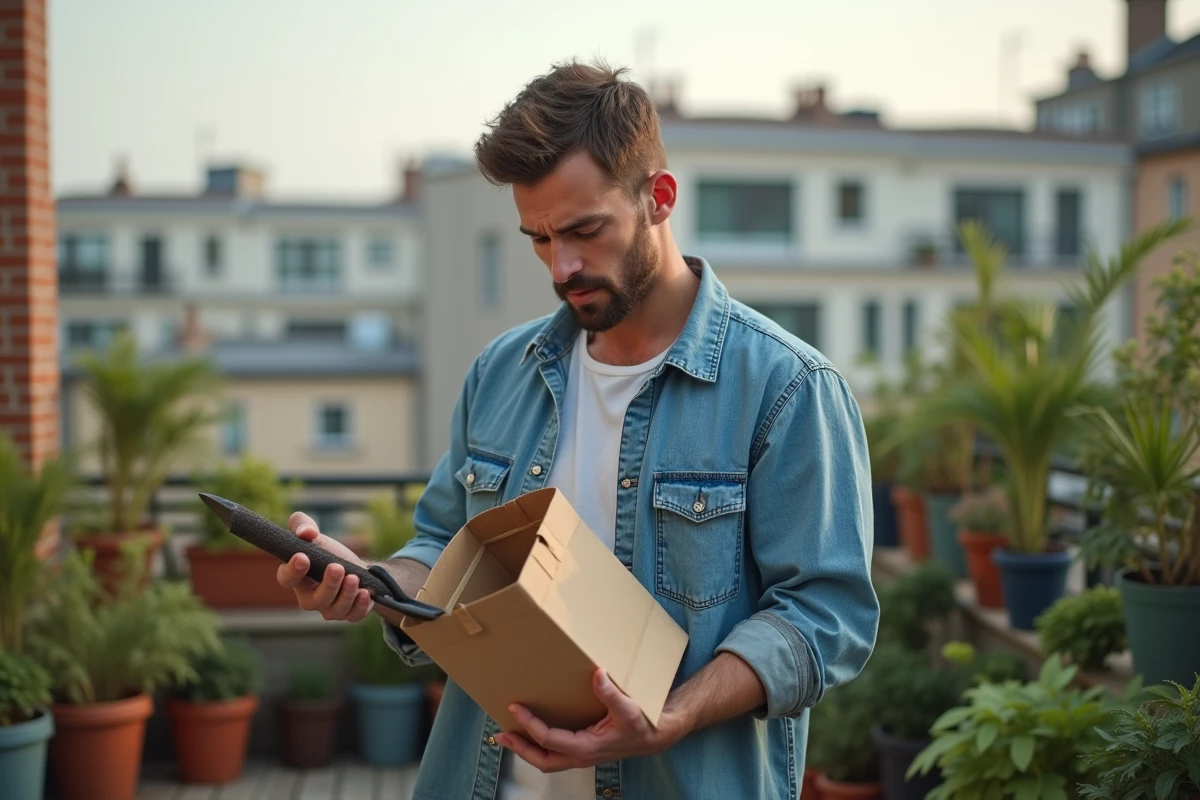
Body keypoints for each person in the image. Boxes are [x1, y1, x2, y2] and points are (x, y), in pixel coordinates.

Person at [277, 59, 879, 800]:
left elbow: (826, 616)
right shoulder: (501, 372)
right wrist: (372, 583)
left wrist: (673, 714)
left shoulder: (787, 389)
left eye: (585, 231)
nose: (561, 266)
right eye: (537, 238)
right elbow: (442, 547)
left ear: (659, 198)